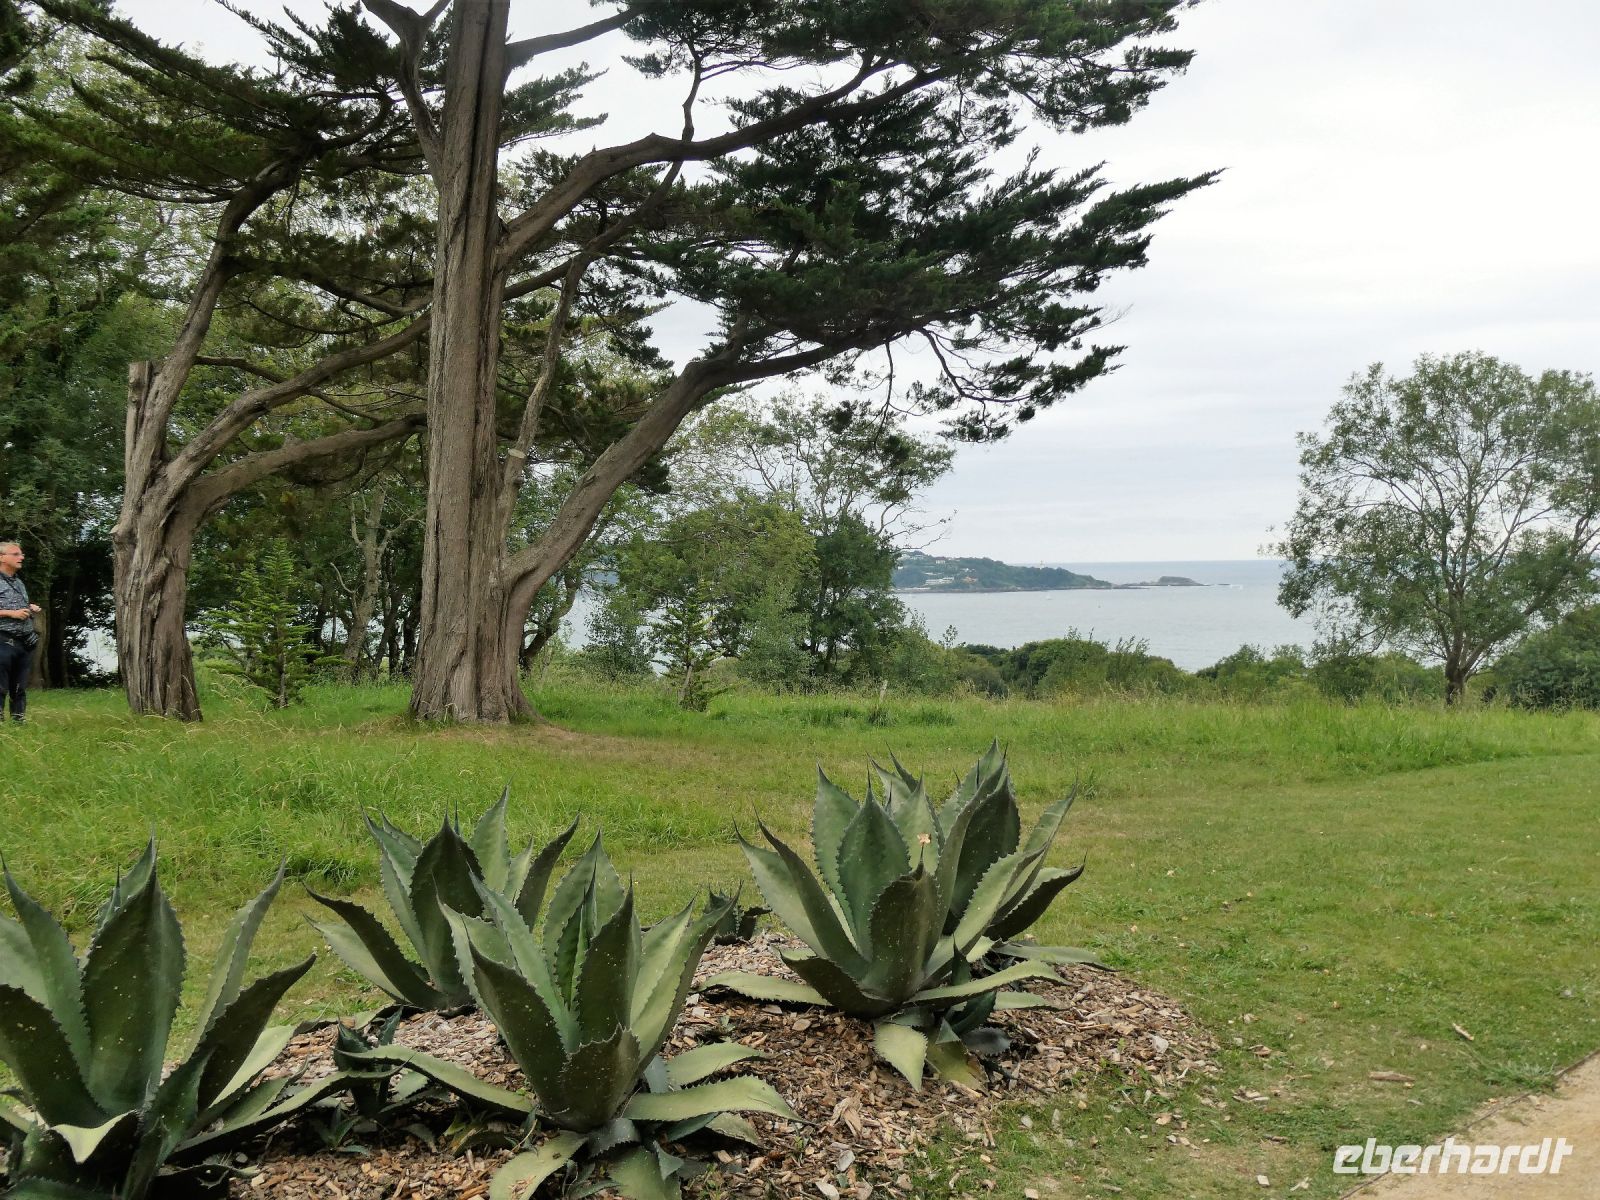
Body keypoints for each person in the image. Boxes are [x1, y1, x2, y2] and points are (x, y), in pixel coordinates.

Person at [0, 541, 41, 724]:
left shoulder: (19, 582)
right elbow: (10, 611)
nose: (21, 557)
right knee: (0, 687)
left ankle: (19, 724)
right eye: (15, 554)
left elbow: (17, 605)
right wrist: (11, 613)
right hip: (3, 642)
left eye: (21, 554)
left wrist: (29, 607)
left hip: (24, 643)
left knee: (19, 688)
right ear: (2, 558)